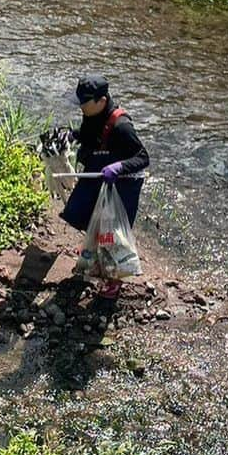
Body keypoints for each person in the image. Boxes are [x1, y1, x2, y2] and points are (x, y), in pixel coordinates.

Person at [58, 74, 149, 299]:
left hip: (124, 183)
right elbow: (90, 136)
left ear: (101, 101)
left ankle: (115, 280)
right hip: (101, 174)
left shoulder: (121, 126)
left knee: (114, 231)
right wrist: (72, 135)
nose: (80, 107)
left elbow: (143, 157)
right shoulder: (91, 115)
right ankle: (96, 260)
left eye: (84, 103)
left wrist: (118, 167)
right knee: (88, 217)